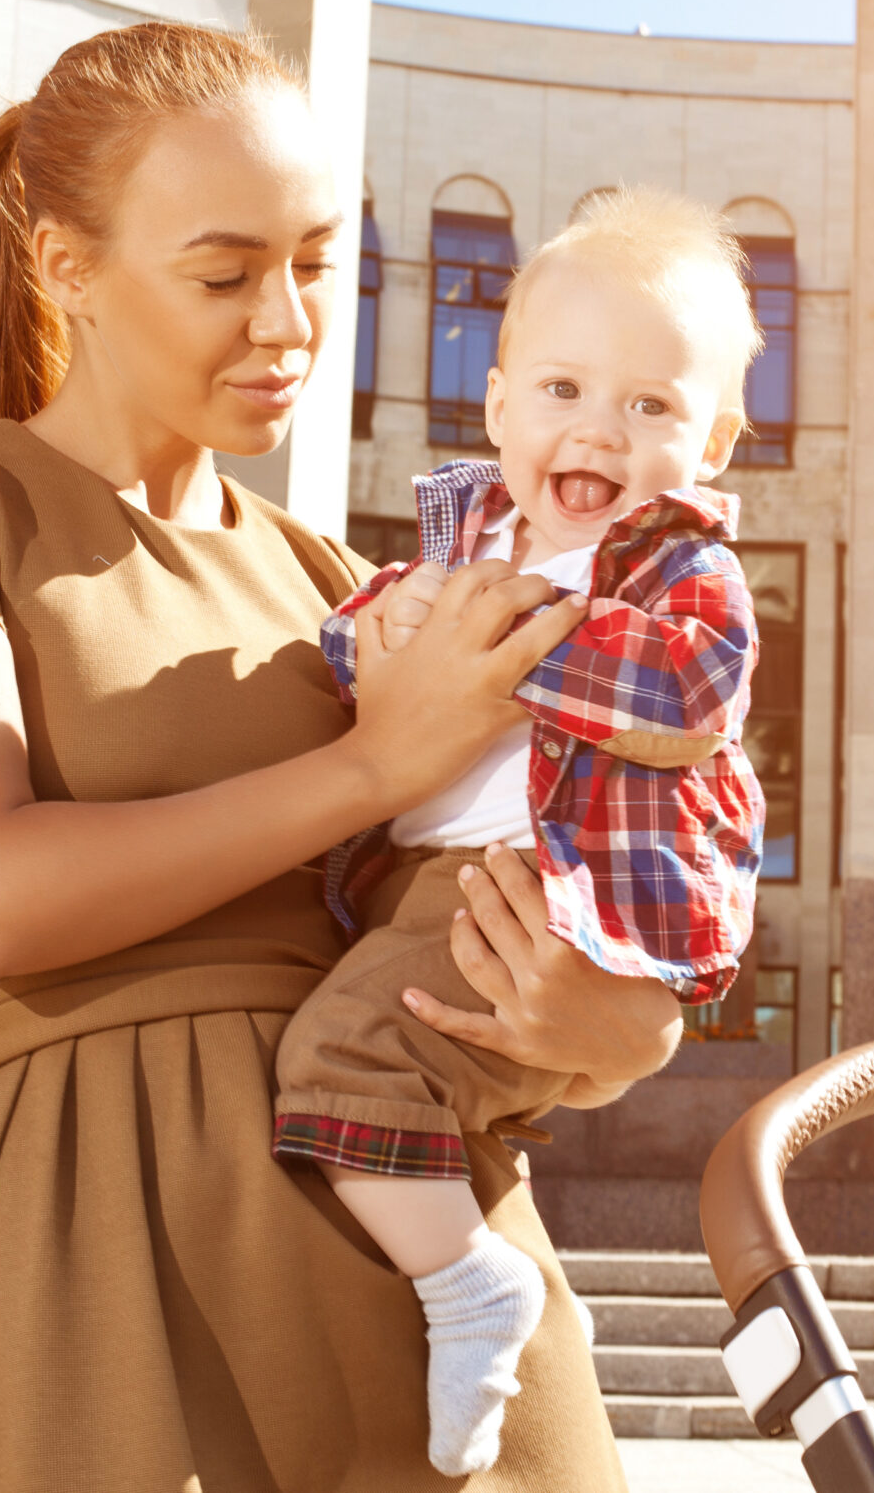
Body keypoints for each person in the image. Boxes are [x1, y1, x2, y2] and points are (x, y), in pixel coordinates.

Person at [0, 21, 667, 1492]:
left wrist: (603, 1033)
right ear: (66, 265)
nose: (288, 324)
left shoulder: (339, 579)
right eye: (224, 274)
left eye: (318, 262)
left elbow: (467, 902)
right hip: (106, 1251)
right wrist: (366, 767)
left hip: (432, 1261)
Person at [275, 188, 765, 1474]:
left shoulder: (670, 567)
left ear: (710, 442)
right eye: (561, 388)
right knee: (379, 1071)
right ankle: (471, 1267)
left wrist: (497, 643)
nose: (597, 425)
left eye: (650, 406)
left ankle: (472, 1288)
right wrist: (374, 632)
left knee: (343, 1063)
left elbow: (689, 693)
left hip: (534, 890)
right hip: (414, 884)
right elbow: (357, 638)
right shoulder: (468, 537)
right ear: (497, 410)